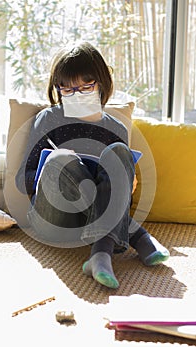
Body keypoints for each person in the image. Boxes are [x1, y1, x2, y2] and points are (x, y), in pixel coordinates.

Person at [16, 41, 169, 289]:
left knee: (120, 154)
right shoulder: (47, 119)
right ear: (58, 89)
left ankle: (101, 253)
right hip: (53, 220)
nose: (76, 95)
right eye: (67, 90)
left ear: (102, 84)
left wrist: (126, 180)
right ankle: (138, 235)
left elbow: (116, 196)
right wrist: (55, 169)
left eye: (86, 87)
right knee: (61, 160)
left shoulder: (116, 128)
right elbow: (22, 180)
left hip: (95, 221)